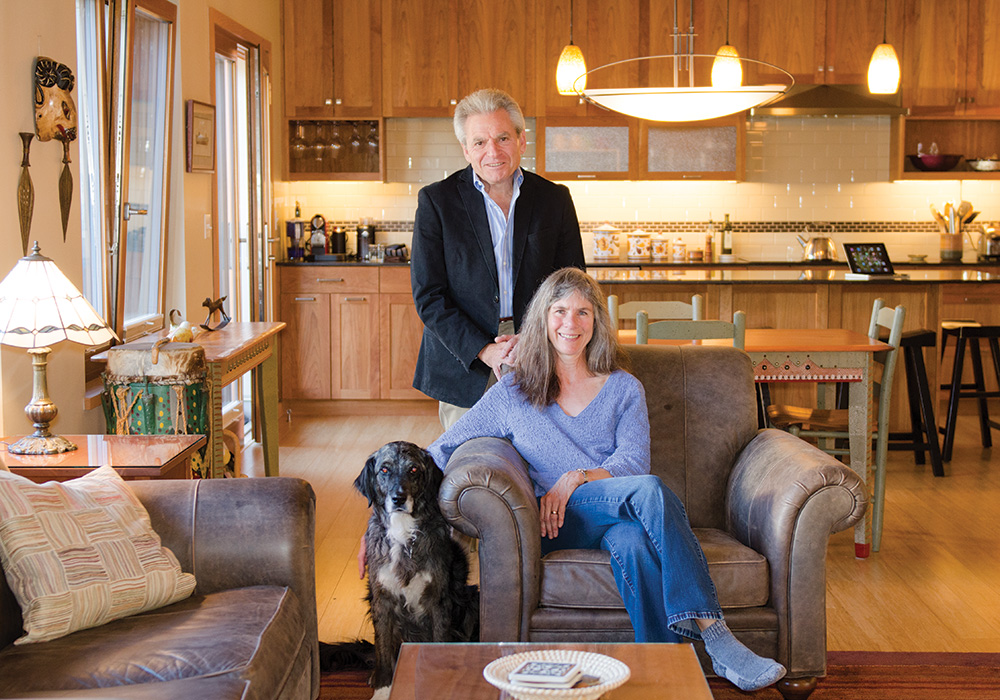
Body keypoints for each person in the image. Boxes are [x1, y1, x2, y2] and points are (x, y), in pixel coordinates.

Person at [426, 268, 787, 693]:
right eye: (560, 311)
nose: (571, 323)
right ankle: (716, 635)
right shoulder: (514, 392)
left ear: (596, 321)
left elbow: (633, 462)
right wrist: (381, 515)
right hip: (556, 522)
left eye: (583, 312)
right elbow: (441, 449)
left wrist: (574, 478)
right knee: (651, 490)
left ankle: (665, 671)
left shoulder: (623, 388)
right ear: (543, 319)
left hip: (613, 512)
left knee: (634, 541)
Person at [410, 88, 585, 430]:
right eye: (479, 142)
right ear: (466, 149)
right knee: (470, 454)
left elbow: (571, 286)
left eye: (503, 138)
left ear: (522, 140)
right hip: (465, 358)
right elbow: (429, 295)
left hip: (538, 347)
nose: (493, 151)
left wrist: (533, 337)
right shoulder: (436, 202)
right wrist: (485, 350)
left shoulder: (555, 199)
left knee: (538, 449)